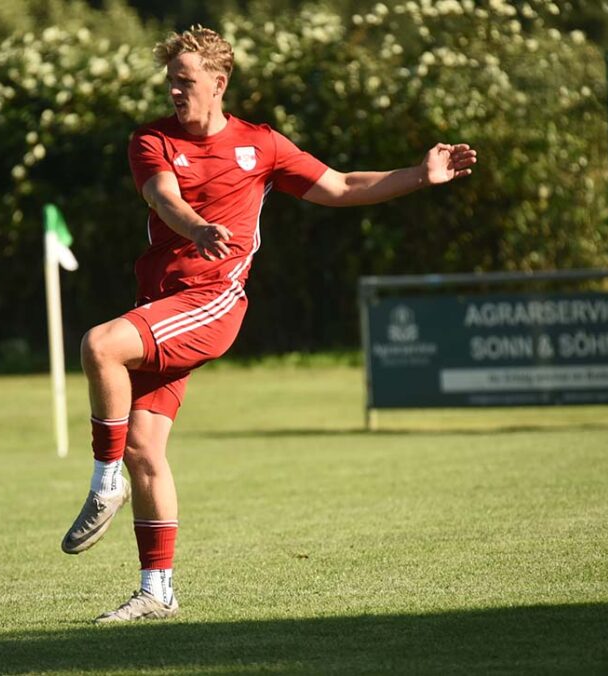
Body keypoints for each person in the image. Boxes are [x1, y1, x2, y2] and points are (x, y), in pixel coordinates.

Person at [61, 26, 477, 623]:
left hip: (214, 301)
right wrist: (196, 227)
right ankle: (158, 590)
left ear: (218, 83)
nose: (175, 91)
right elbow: (164, 198)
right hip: (163, 303)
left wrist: (418, 174)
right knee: (146, 449)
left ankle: (103, 484)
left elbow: (338, 186)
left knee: (100, 344)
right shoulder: (150, 139)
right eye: (171, 81)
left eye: (187, 81)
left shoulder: (261, 145)